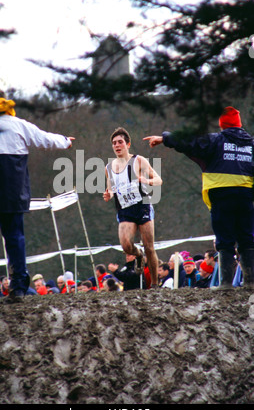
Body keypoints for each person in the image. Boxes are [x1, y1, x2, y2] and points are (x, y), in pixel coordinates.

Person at [0, 88, 75, 301]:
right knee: (15, 240)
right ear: (5, 103)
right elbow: (46, 139)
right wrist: (65, 140)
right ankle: (19, 287)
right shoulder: (19, 125)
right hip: (12, 194)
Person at [144, 106, 254, 289]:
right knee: (247, 238)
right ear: (239, 125)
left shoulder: (216, 140)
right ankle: (251, 282)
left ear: (222, 125)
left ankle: (226, 284)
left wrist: (165, 138)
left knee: (225, 239)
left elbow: (189, 141)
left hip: (221, 195)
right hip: (245, 196)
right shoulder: (250, 144)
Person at [103, 127, 162, 288]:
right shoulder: (108, 168)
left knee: (149, 247)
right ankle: (138, 255)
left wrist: (148, 181)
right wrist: (108, 194)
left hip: (142, 206)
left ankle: (155, 285)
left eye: (120, 142)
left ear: (128, 144)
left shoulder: (138, 160)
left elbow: (158, 180)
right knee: (126, 246)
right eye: (114, 143)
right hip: (124, 209)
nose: (117, 145)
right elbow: (111, 189)